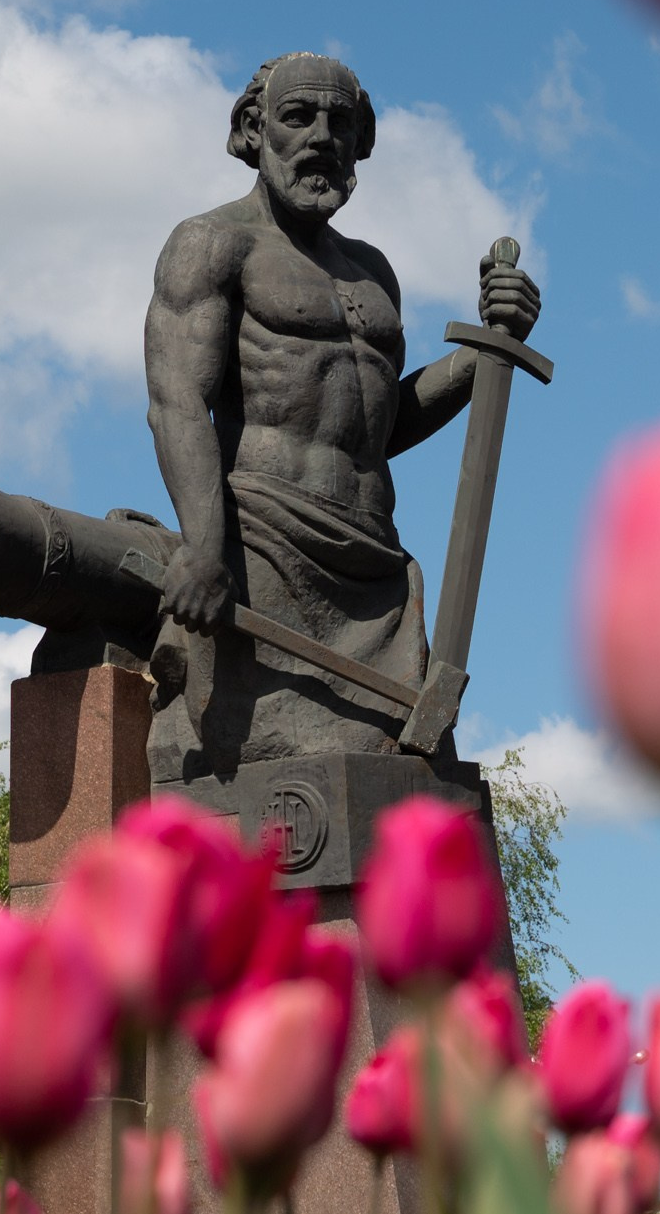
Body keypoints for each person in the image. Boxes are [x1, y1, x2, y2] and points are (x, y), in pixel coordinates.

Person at [144, 51, 540, 778]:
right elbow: (176, 404)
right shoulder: (212, 243)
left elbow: (378, 426)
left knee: (407, 785)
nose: (322, 137)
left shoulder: (373, 271)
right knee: (269, 783)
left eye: (341, 122)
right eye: (299, 117)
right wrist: (203, 547)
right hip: (261, 550)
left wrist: (491, 347)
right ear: (254, 129)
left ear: (362, 141)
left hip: (375, 567)